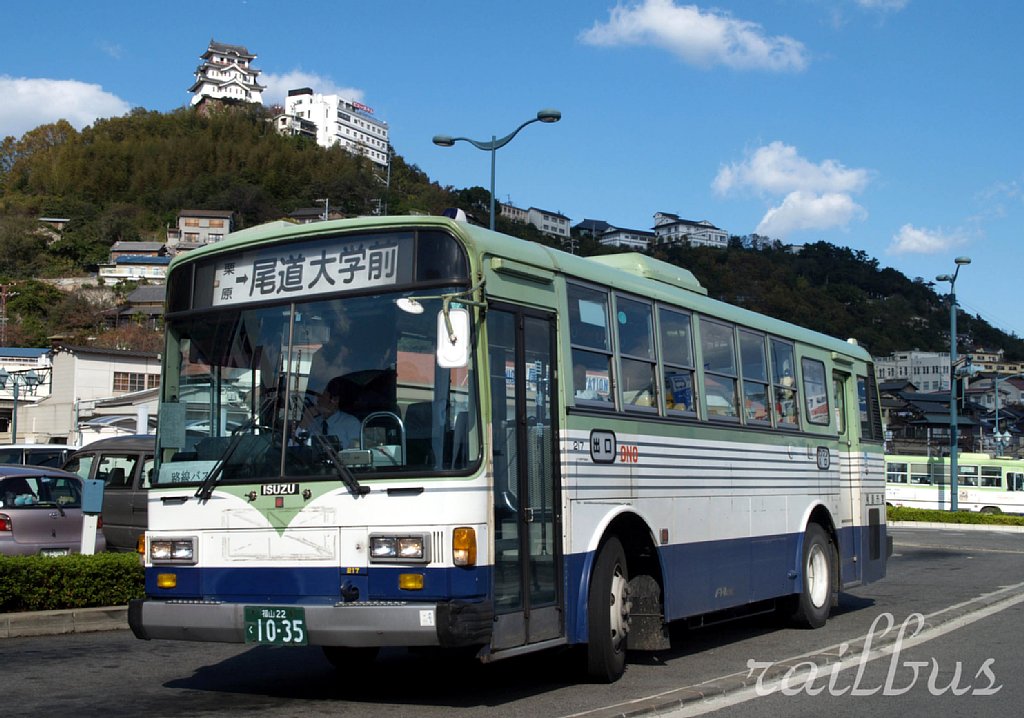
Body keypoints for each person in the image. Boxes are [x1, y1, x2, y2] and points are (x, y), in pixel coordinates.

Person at [299, 376, 361, 450]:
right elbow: (295, 446)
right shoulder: (313, 423)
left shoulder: (352, 424)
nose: (316, 400)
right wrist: (305, 420)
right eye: (315, 396)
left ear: (335, 400)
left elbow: (357, 456)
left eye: (320, 396)